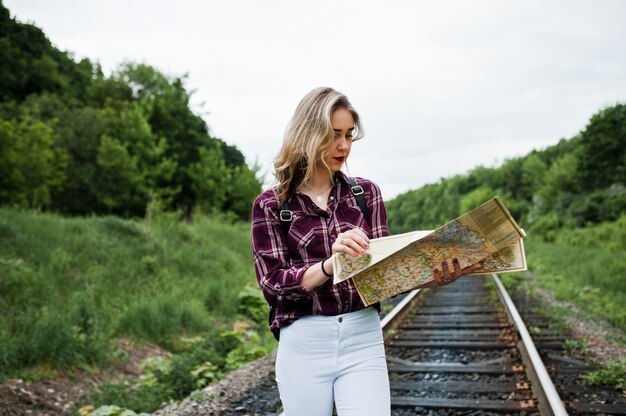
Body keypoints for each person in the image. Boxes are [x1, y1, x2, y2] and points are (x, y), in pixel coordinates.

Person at [251, 87, 480, 416]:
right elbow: (274, 287)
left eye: (348, 135)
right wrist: (330, 265)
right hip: (305, 341)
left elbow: (382, 276)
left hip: (363, 337)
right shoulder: (272, 205)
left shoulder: (365, 194)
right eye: (333, 135)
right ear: (307, 135)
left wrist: (432, 277)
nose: (343, 146)